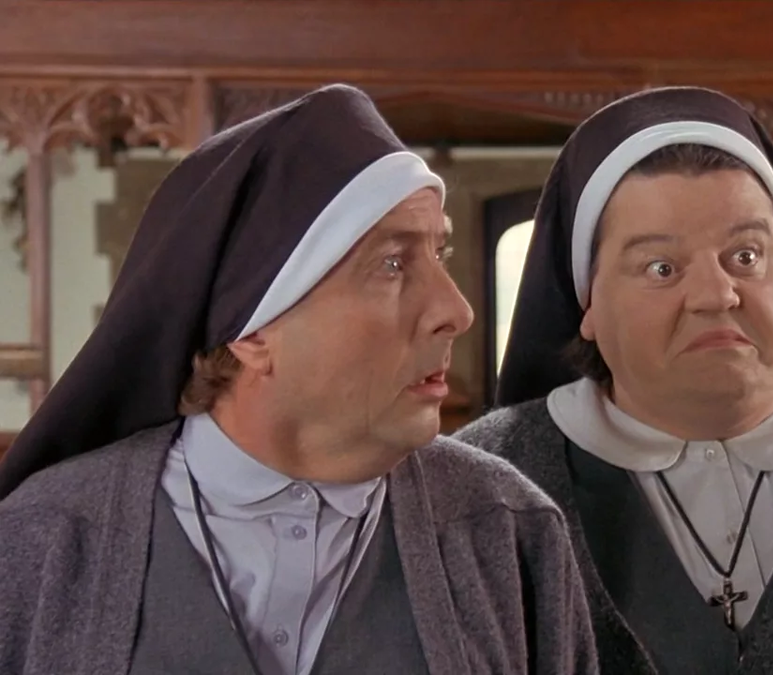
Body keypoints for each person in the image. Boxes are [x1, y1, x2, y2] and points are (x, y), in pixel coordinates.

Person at [0, 84, 597, 675]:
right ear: (252, 332)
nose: (456, 312)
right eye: (392, 264)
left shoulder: (509, 530)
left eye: (437, 255)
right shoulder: (44, 541)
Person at [454, 86, 773, 675]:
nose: (716, 295)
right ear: (587, 303)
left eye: (746, 256)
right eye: (662, 267)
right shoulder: (479, 489)